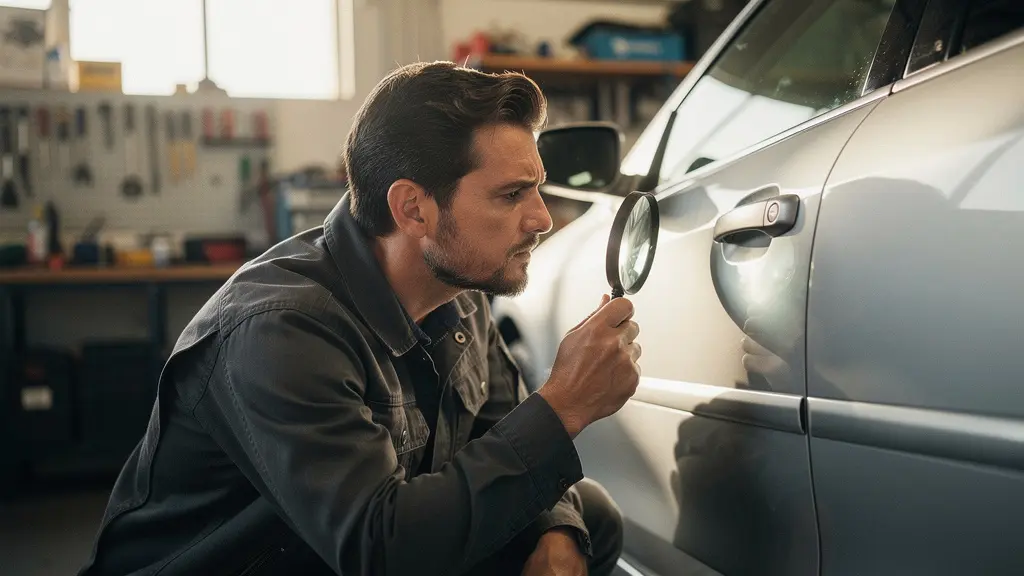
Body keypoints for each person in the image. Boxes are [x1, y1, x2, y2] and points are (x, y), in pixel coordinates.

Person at [78, 61, 642, 576]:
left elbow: (500, 424)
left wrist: (555, 528)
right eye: (512, 194)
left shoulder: (460, 292)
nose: (542, 218)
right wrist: (564, 405)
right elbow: (380, 550)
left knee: (588, 517)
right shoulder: (280, 330)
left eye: (537, 189)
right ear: (412, 208)